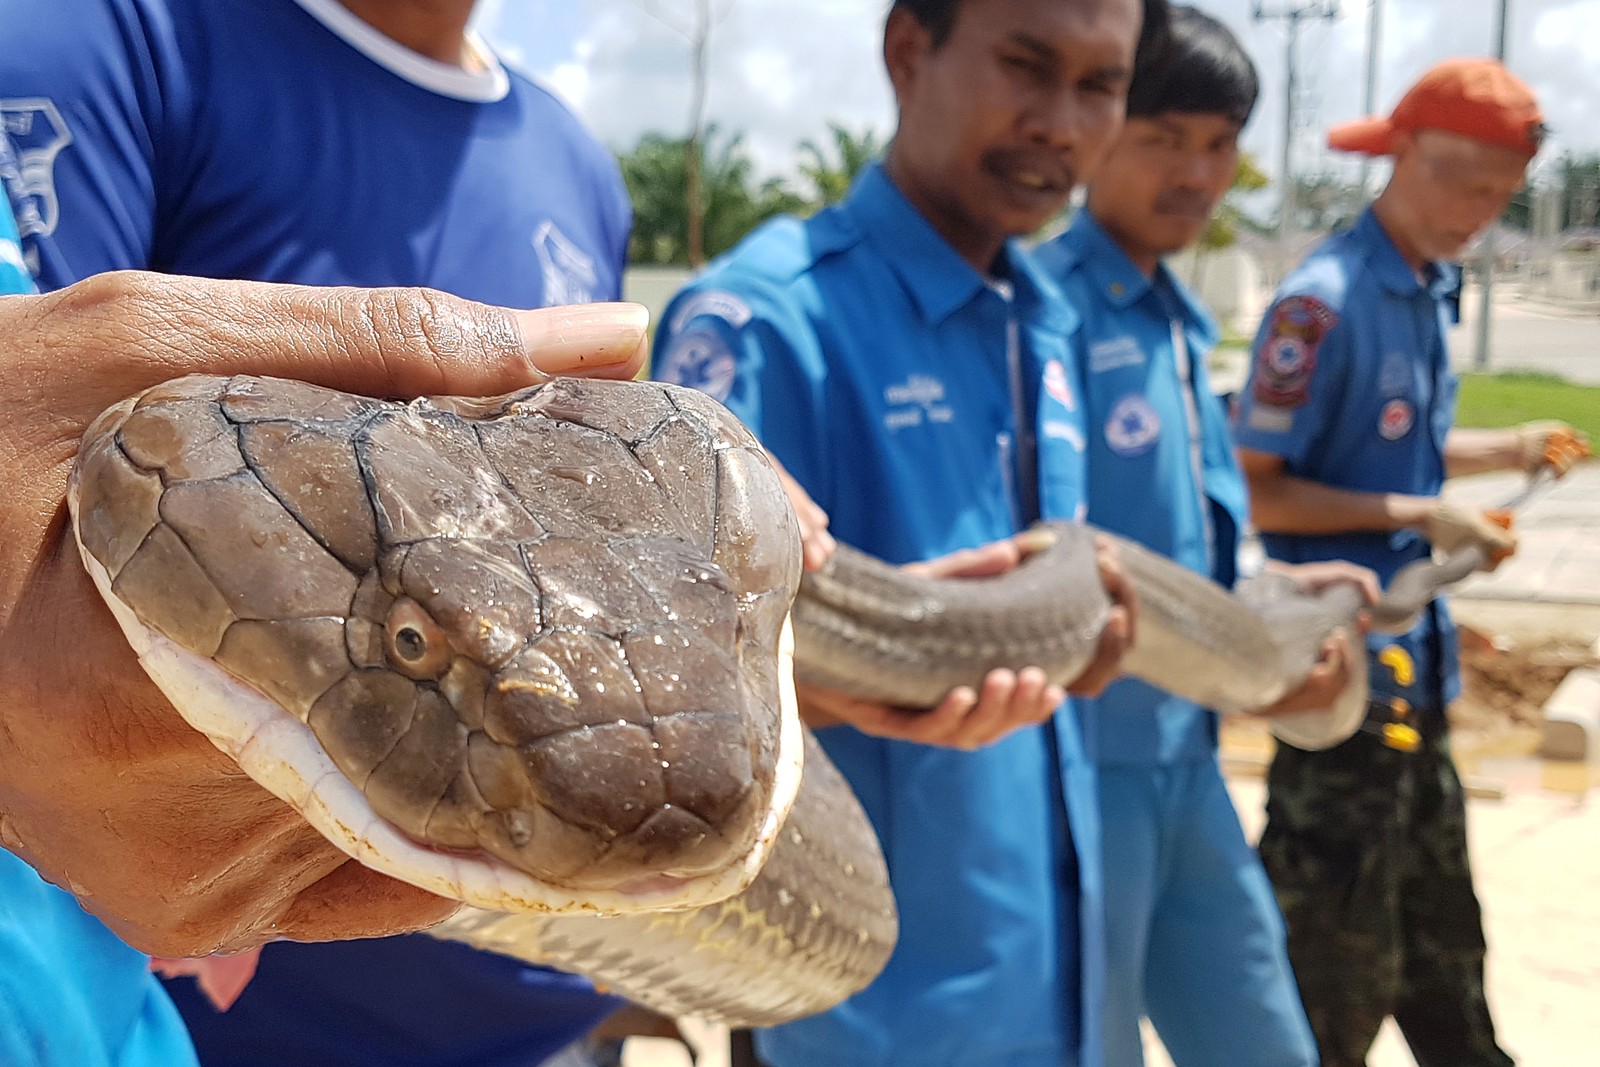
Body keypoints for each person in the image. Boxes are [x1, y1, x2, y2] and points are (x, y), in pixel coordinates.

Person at [1, 0, 641, 1062]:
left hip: (546, 1017)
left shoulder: (576, 162)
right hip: (229, 1018)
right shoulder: (111, 43)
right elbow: (56, 520)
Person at [653, 1, 1164, 1063]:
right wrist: (820, 683)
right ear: (906, 49)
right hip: (859, 1016)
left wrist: (1075, 645)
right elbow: (660, 674)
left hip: (1046, 980)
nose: (1061, 123)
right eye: (1026, 64)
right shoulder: (767, 320)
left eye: (1100, 84)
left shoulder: (1045, 316)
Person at [1233, 59, 1590, 1067]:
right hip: (1336, 683)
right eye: (1458, 182)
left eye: (1498, 194)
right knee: (1327, 978)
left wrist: (1512, 449)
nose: (1477, 212)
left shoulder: (1429, 286)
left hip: (1417, 677)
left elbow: (1392, 448)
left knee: (1446, 960)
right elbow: (1258, 482)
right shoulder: (1320, 306)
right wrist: (1426, 514)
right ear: (1397, 157)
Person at [1034, 9, 1376, 1064]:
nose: (1196, 170)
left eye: (1219, 144)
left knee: (1263, 1035)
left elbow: (1197, 540)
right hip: (1078, 765)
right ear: (1097, 136)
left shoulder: (1181, 324)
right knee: (1092, 1041)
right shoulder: (1041, 309)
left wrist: (1273, 593)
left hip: (1188, 755)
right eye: (1162, 137)